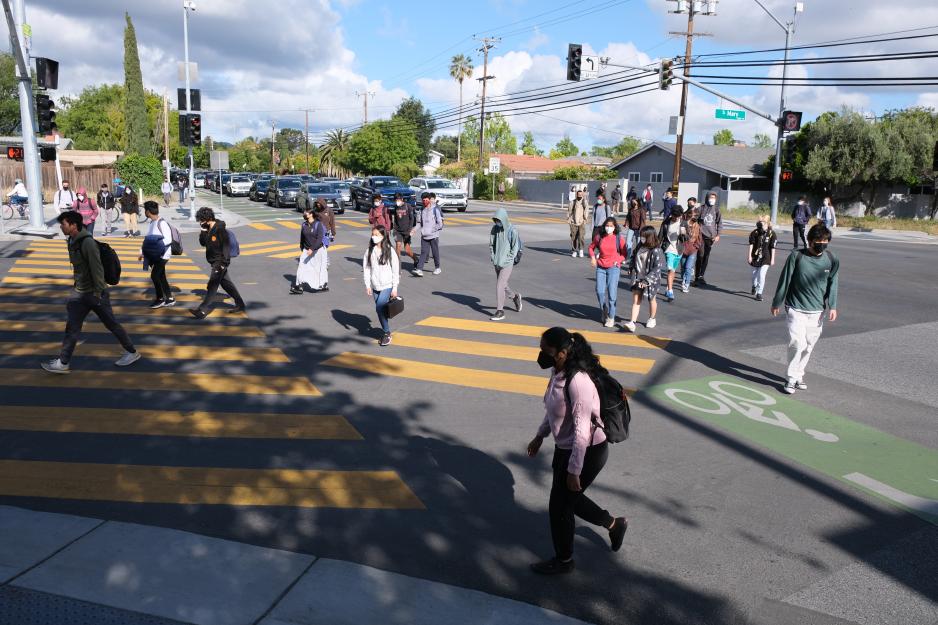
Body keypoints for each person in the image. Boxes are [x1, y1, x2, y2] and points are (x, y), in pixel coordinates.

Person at [526, 327, 628, 575]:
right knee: (569, 498)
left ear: (561, 353)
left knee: (559, 506)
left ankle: (564, 561)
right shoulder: (557, 371)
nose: (542, 355)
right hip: (567, 447)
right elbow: (553, 411)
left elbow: (582, 429)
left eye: (546, 351)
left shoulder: (578, 382)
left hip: (588, 450)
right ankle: (614, 525)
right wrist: (540, 435)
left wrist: (574, 470)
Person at [41, 211, 140, 373]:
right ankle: (63, 362)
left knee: (111, 324)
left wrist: (98, 293)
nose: (61, 227)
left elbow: (97, 269)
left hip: (94, 294)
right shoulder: (71, 241)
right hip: (80, 293)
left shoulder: (87, 243)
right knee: (72, 328)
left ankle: (132, 352)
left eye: (63, 224)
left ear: (73, 225)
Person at [771, 224, 839, 394]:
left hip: (817, 311)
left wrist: (833, 305)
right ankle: (791, 378)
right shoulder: (797, 256)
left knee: (808, 346)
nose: (822, 244)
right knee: (797, 343)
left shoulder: (831, 259)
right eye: (818, 240)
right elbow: (785, 279)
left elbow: (833, 282)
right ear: (809, 240)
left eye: (825, 241)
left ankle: (799, 374)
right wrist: (776, 302)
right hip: (796, 308)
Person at [190, 206, 246, 319]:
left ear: (208, 218)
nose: (200, 222)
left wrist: (223, 263)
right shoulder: (208, 228)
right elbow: (202, 243)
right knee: (227, 285)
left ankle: (202, 310)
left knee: (212, 286)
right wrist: (203, 231)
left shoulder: (220, 229)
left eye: (201, 220)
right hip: (214, 262)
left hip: (219, 262)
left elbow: (226, 247)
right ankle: (241, 305)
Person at [363, 224, 400, 347]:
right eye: (373, 235)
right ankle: (386, 329)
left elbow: (396, 270)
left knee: (379, 308)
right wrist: (368, 285)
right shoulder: (369, 251)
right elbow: (367, 268)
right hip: (375, 285)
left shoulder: (389, 250)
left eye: (377, 235)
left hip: (387, 285)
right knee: (381, 311)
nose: (374, 237)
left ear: (383, 236)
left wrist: (394, 288)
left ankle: (386, 332)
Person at [623, 225, 662, 333]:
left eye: (644, 236)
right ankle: (632, 322)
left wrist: (646, 281)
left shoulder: (656, 250)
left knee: (651, 299)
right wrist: (631, 267)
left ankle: (652, 318)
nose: (641, 238)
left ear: (650, 237)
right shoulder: (640, 246)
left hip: (650, 280)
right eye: (641, 236)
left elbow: (657, 267)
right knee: (636, 300)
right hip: (638, 278)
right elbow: (634, 257)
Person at [589, 216, 627, 328]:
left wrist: (618, 261)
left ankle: (611, 317)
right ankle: (604, 309)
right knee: (599, 291)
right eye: (607, 226)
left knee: (612, 293)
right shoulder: (599, 237)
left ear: (615, 227)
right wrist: (592, 258)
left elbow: (625, 254)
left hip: (613, 268)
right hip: (601, 267)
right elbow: (591, 248)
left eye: (611, 226)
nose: (608, 228)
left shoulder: (618, 238)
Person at [138, 201, 176, 309]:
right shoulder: (152, 223)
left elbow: (168, 240)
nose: (144, 212)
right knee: (161, 276)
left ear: (148, 212)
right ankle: (169, 298)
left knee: (154, 275)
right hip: (155, 255)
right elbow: (148, 239)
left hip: (162, 255)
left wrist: (157, 249)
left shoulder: (161, 223)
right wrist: (142, 252)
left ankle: (160, 299)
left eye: (145, 210)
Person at [489, 207, 523, 322]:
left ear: (503, 218)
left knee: (499, 285)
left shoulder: (512, 230)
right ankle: (515, 297)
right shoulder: (494, 229)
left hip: (507, 263)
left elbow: (515, 248)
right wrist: (493, 257)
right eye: (495, 220)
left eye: (498, 220)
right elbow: (491, 245)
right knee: (503, 285)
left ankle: (500, 311)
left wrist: (508, 260)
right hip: (497, 262)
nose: (497, 222)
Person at [290, 204, 329, 294]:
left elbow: (319, 238)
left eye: (306, 212)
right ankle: (299, 286)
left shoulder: (318, 224)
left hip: (318, 250)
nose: (304, 213)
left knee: (319, 268)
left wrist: (312, 248)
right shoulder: (304, 225)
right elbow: (302, 237)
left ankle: (322, 285)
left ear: (311, 214)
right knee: (301, 266)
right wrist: (302, 247)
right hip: (306, 250)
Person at [658, 205, 686, 303]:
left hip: (679, 249)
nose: (676, 218)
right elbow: (660, 236)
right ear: (672, 214)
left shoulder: (683, 223)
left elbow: (687, 238)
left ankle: (667, 287)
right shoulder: (666, 222)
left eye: (678, 216)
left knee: (673, 270)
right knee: (670, 269)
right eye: (675, 216)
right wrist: (656, 248)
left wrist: (683, 235)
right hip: (668, 248)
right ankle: (670, 291)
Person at [694, 192, 722, 286]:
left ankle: (701, 275)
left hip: (711, 237)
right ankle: (697, 277)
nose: (712, 199)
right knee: (700, 255)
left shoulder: (717, 210)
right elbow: (694, 220)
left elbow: (719, 223)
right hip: (700, 235)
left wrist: (718, 235)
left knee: (706, 256)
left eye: (714, 198)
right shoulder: (701, 208)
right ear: (707, 198)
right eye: (711, 197)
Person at [748, 215, 777, 302]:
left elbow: (773, 247)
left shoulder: (772, 233)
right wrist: (749, 256)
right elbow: (751, 245)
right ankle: (754, 285)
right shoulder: (755, 232)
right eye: (760, 222)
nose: (761, 224)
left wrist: (772, 259)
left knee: (762, 274)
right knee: (754, 275)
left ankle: (759, 293)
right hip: (755, 256)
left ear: (767, 223)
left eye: (763, 223)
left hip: (766, 257)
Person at [414, 192, 443, 277]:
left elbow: (440, 223)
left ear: (429, 200)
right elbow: (419, 223)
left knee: (435, 252)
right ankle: (419, 269)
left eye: (426, 200)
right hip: (424, 235)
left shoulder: (435, 210)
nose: (425, 201)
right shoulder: (421, 210)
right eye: (423, 200)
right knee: (423, 252)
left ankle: (437, 268)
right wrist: (414, 230)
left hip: (433, 235)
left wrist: (432, 230)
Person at [391, 192, 417, 265]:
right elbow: (395, 219)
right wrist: (394, 229)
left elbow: (412, 219)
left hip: (406, 231)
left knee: (407, 250)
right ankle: (397, 265)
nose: (397, 201)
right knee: (398, 246)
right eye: (396, 200)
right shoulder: (396, 207)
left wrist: (409, 230)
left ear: (402, 199)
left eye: (398, 199)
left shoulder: (408, 206)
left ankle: (415, 259)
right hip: (398, 231)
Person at [680, 211, 702, 293]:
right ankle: (683, 279)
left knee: (688, 268)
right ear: (688, 215)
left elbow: (699, 238)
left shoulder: (697, 226)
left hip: (692, 249)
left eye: (695, 215)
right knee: (683, 267)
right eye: (692, 215)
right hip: (683, 248)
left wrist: (696, 246)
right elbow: (680, 237)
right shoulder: (683, 224)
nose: (694, 217)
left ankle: (686, 284)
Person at [567, 189, 588, 258]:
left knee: (581, 237)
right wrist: (568, 219)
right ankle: (574, 251)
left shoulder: (584, 202)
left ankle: (581, 250)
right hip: (573, 222)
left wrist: (585, 219)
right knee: (573, 237)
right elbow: (569, 211)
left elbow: (586, 211)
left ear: (582, 195)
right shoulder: (572, 202)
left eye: (581, 195)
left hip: (581, 222)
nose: (579, 196)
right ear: (576, 195)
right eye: (578, 195)